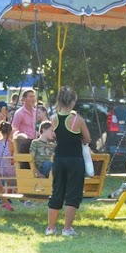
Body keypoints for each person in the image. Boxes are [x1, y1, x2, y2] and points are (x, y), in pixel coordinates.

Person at [46, 87, 90, 237]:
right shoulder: (78, 120)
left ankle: (51, 228)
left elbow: (51, 137)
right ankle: (67, 228)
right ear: (72, 102)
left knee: (57, 192)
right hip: (75, 160)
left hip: (59, 159)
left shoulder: (53, 119)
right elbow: (87, 138)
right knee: (73, 194)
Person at [0, 121, 16, 193]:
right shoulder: (11, 144)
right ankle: (9, 191)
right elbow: (13, 160)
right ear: (11, 132)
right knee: (13, 169)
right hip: (7, 170)